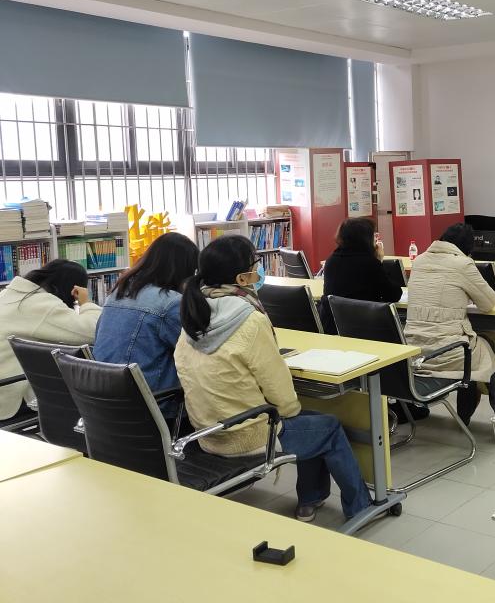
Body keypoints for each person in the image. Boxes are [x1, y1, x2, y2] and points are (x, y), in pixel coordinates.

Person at [175, 235, 370, 523]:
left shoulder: (194, 314)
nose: (259, 269)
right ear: (242, 278)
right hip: (247, 437)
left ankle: (310, 500)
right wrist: (290, 411)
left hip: (207, 433)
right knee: (326, 426)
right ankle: (361, 507)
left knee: (311, 423)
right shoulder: (249, 319)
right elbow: (279, 389)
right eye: (255, 264)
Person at [403, 223, 495, 426]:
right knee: (485, 345)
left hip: (414, 351)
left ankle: (468, 407)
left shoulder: (420, 260)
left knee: (475, 344)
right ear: (468, 248)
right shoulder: (463, 264)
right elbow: (488, 303)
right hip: (444, 353)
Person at [92, 233, 198, 416]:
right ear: (185, 270)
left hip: (105, 405)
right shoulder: (170, 303)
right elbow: (197, 349)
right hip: (154, 408)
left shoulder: (117, 293)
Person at [0, 259, 99, 422]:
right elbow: (94, 331)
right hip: (8, 396)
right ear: (71, 289)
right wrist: (86, 303)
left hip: (4, 384)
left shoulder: (7, 294)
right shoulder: (40, 304)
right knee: (85, 392)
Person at [319, 217, 402, 335]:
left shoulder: (331, 260)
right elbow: (394, 295)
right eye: (373, 235)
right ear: (365, 238)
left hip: (332, 327)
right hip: (364, 328)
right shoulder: (370, 263)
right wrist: (379, 261)